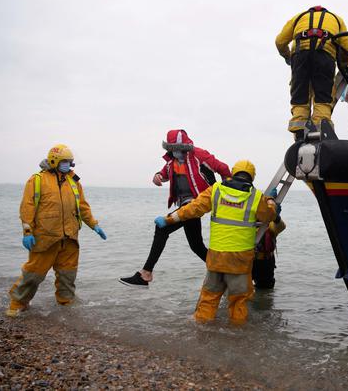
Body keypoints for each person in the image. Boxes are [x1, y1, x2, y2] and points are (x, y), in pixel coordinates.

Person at [154, 160, 277, 325]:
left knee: (209, 297)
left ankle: (201, 332)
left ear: (233, 173)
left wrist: (168, 219)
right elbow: (269, 217)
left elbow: (192, 209)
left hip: (216, 257)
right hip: (240, 260)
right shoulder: (256, 197)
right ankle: (238, 337)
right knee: (238, 301)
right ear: (252, 177)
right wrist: (270, 201)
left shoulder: (215, 190)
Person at [120, 129, 231, 287]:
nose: (175, 152)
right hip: (184, 204)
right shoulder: (171, 161)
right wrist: (157, 176)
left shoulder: (200, 155)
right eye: (171, 148)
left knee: (162, 228)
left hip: (198, 202)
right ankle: (223, 274)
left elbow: (223, 168)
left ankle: (145, 274)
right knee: (196, 246)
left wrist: (227, 191)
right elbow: (164, 173)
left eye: (177, 148)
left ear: (185, 146)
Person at [7, 144, 106, 317]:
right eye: (65, 161)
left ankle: (66, 305)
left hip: (69, 238)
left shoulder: (73, 181)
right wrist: (27, 232)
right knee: (33, 274)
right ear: (55, 161)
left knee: (68, 275)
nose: (68, 164)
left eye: (70, 161)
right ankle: (18, 303)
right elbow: (27, 208)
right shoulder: (37, 180)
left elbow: (82, 207)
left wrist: (94, 225)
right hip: (45, 238)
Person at [276, 6, 348, 141]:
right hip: (325, 56)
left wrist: (288, 57)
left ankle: (299, 130)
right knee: (323, 95)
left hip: (300, 56)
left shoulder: (298, 17)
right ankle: (321, 128)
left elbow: (280, 42)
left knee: (300, 95)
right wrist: (344, 64)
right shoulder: (337, 20)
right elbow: (345, 48)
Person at [252, 190, 286, 289]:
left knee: (265, 288)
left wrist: (275, 217)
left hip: (265, 262)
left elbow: (281, 226)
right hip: (248, 260)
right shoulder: (247, 223)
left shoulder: (269, 225)